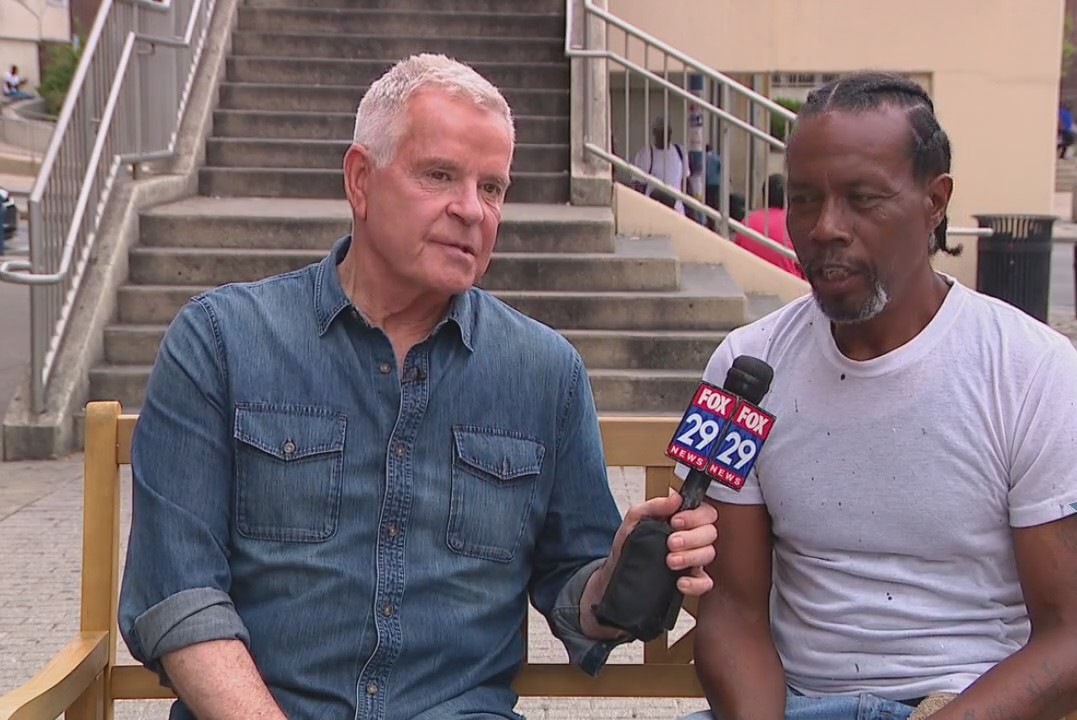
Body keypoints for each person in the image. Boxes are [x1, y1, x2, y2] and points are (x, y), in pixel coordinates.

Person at [117, 53, 720, 720]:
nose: (471, 211)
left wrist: (622, 578)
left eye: (492, 188)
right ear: (361, 181)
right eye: (440, 176)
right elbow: (179, 595)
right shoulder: (222, 342)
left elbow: (574, 587)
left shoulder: (544, 371)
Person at [684, 72, 1077, 720]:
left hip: (964, 705)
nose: (825, 227)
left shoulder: (1033, 369)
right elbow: (732, 609)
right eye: (803, 199)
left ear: (933, 202)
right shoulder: (741, 368)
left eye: (862, 199)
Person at [734, 174, 804, 278]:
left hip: (749, 279)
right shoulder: (794, 223)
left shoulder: (747, 222)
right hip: (789, 283)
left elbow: (737, 258)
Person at [631, 115, 690, 213]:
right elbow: (637, 185)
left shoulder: (680, 152)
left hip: (677, 211)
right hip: (653, 210)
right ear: (654, 133)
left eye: (667, 132)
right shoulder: (646, 154)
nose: (664, 136)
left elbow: (686, 183)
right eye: (661, 132)